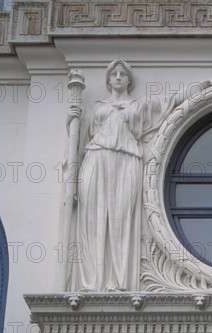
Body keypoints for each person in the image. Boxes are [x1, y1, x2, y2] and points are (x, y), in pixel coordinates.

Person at [67, 60, 162, 291]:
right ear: (108, 80)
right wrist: (71, 118)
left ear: (130, 80)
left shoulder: (139, 105)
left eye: (123, 74)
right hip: (96, 159)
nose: (118, 77)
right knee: (92, 217)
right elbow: (77, 140)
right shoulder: (95, 107)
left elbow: (166, 109)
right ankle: (93, 281)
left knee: (121, 218)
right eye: (114, 74)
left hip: (127, 159)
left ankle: (118, 281)